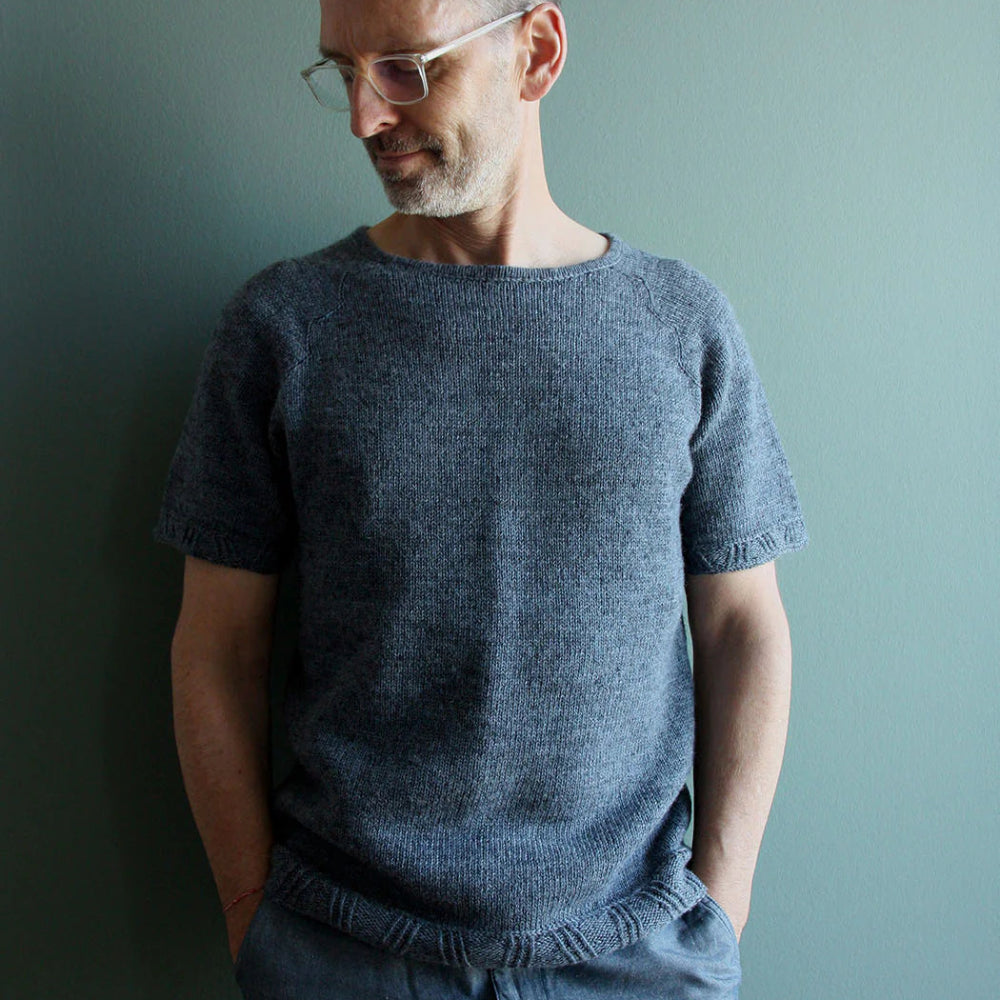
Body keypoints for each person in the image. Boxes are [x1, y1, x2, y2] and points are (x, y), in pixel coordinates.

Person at [155, 1, 808, 997]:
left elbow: (742, 627)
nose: (365, 116)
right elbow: (217, 645)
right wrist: (252, 914)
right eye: (344, 71)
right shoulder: (284, 326)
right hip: (343, 952)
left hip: (635, 954)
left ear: (535, 51)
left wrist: (722, 905)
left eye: (406, 69)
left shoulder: (679, 324)